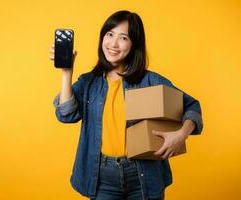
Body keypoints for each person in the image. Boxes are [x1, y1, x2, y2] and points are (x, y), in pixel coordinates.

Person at [50, 10, 203, 200]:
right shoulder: (89, 82)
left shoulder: (150, 80)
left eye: (123, 38)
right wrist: (66, 72)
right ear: (102, 38)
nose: (113, 44)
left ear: (134, 45)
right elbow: (66, 115)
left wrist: (181, 135)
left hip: (143, 175)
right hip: (101, 177)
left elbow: (192, 106)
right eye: (110, 34)